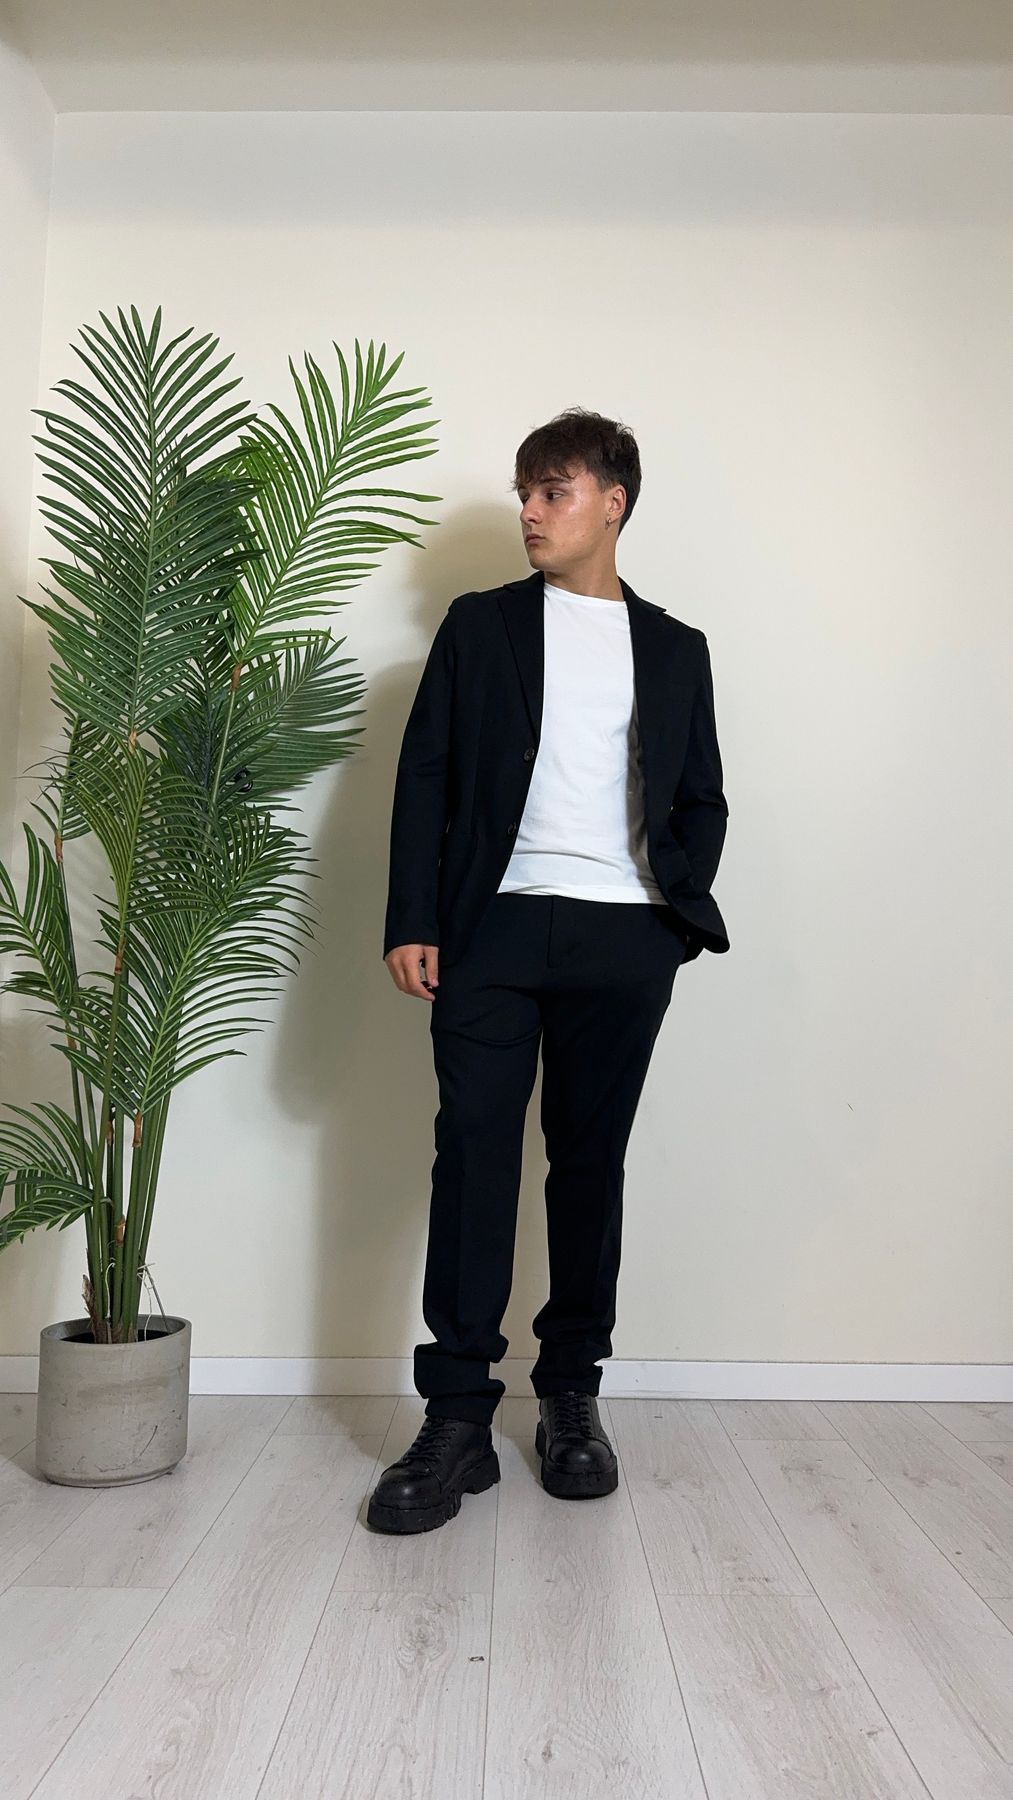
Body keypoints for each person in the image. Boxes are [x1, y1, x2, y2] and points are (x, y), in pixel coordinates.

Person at [368, 408, 729, 1534]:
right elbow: (424, 774)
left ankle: (570, 1394)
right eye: (523, 491)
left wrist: (669, 920)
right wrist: (413, 918)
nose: (527, 510)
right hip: (493, 929)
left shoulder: (675, 648)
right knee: (472, 1156)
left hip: (625, 934)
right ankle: (456, 1418)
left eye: (551, 491)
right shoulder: (480, 627)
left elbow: (701, 797)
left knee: (587, 1165)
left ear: (611, 504)